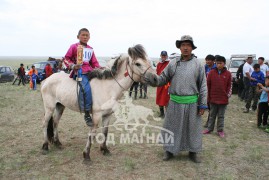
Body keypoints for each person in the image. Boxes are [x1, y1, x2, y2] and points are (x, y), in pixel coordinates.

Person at [147, 35, 207, 163]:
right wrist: (153, 79)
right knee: (171, 127)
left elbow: (203, 85)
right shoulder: (173, 63)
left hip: (192, 103)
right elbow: (163, 78)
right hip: (174, 102)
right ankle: (169, 151)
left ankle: (193, 151)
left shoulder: (198, 64)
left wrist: (202, 104)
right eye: (183, 45)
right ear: (180, 47)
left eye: (188, 45)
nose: (185, 48)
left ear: (192, 48)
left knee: (192, 129)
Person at [64, 28, 100, 127]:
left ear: (89, 37)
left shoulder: (90, 49)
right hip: (79, 71)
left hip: (90, 71)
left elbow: (94, 62)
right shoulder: (74, 47)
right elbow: (66, 59)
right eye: (83, 35)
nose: (85, 37)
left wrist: (100, 69)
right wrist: (72, 66)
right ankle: (87, 113)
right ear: (78, 36)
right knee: (86, 88)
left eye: (87, 35)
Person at [203, 56, 232, 138]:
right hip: (213, 98)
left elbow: (230, 86)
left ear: (224, 63)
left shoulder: (228, 74)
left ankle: (220, 130)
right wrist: (207, 97)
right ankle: (209, 129)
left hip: (223, 99)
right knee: (212, 115)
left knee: (221, 116)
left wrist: (227, 95)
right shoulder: (211, 73)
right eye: (217, 63)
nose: (219, 65)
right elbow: (207, 85)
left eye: (220, 63)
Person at [156, 51, 170, 118]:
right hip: (159, 84)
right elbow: (157, 73)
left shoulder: (169, 63)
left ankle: (167, 114)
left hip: (166, 85)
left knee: (165, 99)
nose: (163, 57)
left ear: (167, 56)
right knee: (159, 98)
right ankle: (161, 113)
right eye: (162, 56)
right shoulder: (159, 64)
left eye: (164, 56)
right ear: (160, 56)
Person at [203, 54, 216, 127]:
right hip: (206, 88)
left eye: (209, 60)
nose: (207, 61)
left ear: (213, 61)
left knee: (212, 107)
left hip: (213, 89)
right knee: (207, 105)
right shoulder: (205, 67)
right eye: (206, 60)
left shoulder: (215, 68)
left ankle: (209, 122)